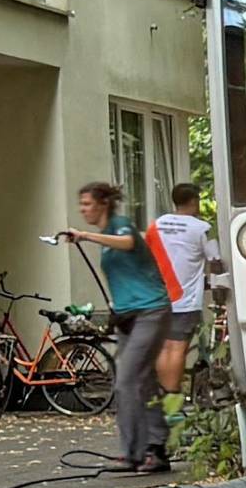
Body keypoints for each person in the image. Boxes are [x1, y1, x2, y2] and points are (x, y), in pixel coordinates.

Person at [62, 181, 177, 472]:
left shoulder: (120, 225)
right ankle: (154, 449)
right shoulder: (105, 235)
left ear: (103, 204)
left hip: (151, 310)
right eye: (81, 205)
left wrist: (85, 236)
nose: (82, 209)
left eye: (87, 204)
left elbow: (127, 243)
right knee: (142, 381)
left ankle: (133, 453)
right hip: (128, 317)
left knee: (126, 381)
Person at [150, 183, 216, 407]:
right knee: (178, 348)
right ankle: (173, 397)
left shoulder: (158, 224)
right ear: (194, 201)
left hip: (158, 297)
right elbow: (215, 259)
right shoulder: (201, 228)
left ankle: (163, 396)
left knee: (164, 347)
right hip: (185, 299)